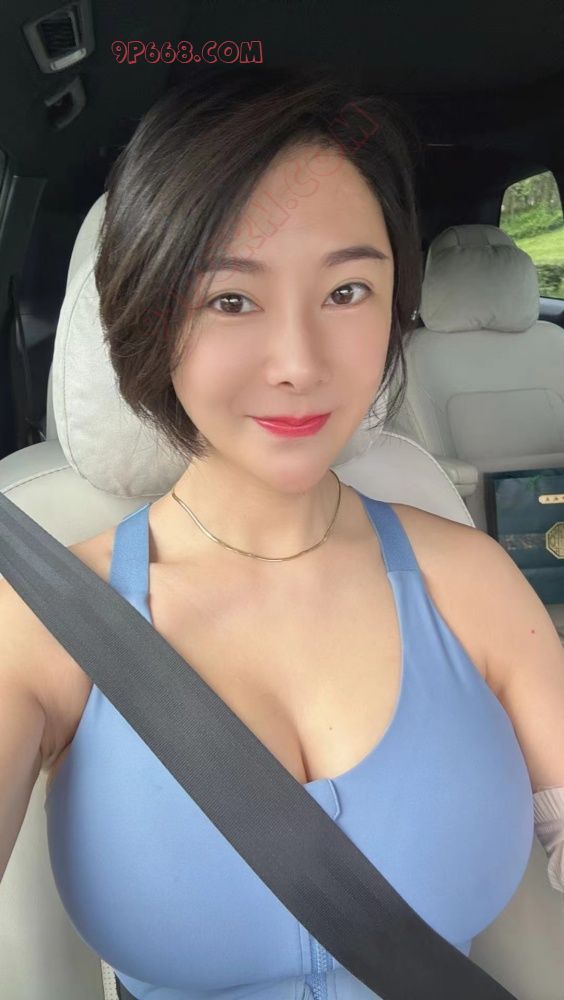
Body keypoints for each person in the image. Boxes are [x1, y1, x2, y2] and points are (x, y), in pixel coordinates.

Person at [23, 62, 563, 1000]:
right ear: (147, 315)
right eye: (231, 299)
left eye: (346, 292)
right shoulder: (44, 622)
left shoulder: (471, 579)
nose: (299, 364)